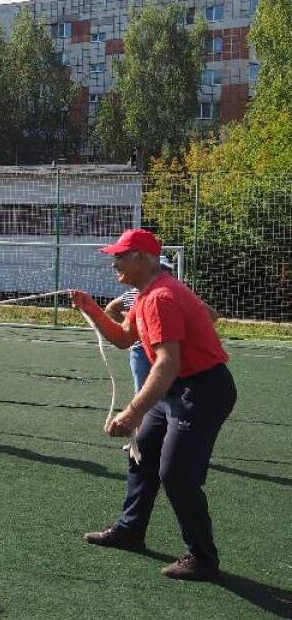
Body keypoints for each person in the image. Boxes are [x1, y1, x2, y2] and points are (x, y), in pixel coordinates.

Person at [71, 228, 236, 581]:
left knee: (176, 473)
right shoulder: (143, 293)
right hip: (179, 387)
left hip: (203, 390)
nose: (113, 261)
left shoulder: (161, 296)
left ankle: (202, 557)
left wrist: (132, 412)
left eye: (120, 255)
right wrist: (92, 310)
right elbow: (123, 338)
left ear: (142, 259)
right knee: (143, 451)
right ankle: (131, 530)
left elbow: (167, 363)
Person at [105, 256, 176, 395]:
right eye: (161, 270)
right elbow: (110, 309)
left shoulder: (172, 293)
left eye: (166, 271)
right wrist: (136, 329)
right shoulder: (135, 295)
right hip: (141, 349)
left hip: (166, 347)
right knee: (143, 390)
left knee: (169, 390)